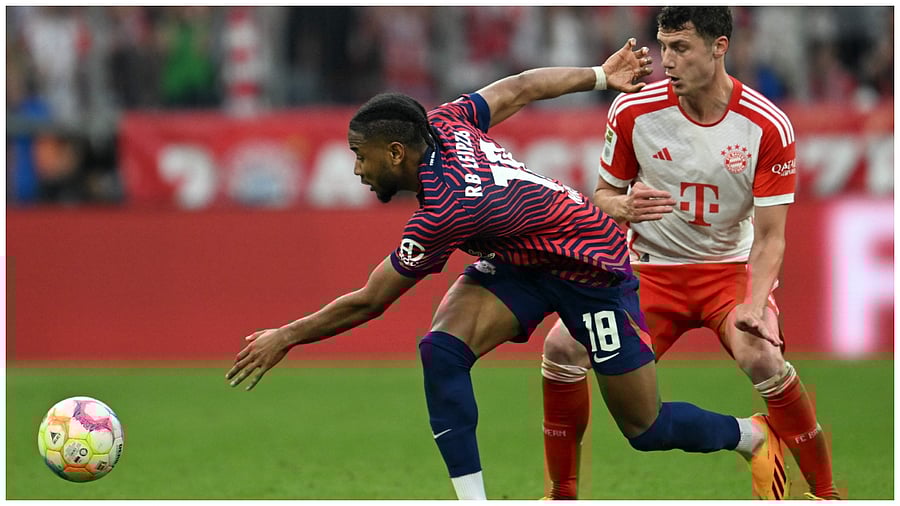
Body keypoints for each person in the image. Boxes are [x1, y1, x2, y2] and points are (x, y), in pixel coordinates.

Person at [227, 39, 777, 500]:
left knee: (645, 428)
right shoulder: (442, 122)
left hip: (592, 268)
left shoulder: (444, 209)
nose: (356, 169)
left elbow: (372, 300)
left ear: (396, 153)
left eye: (360, 155)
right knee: (441, 350)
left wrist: (287, 336)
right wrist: (596, 75)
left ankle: (750, 436)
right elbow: (518, 88)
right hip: (521, 261)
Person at [540, 7, 839, 500]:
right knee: (561, 349)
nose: (667, 61)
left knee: (763, 356)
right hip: (647, 274)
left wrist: (755, 303)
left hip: (729, 273)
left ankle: (826, 495)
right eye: (663, 47)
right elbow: (602, 196)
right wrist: (625, 205)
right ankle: (562, 495)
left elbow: (769, 237)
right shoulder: (633, 110)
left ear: (719, 46)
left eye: (680, 48)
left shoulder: (766, 125)